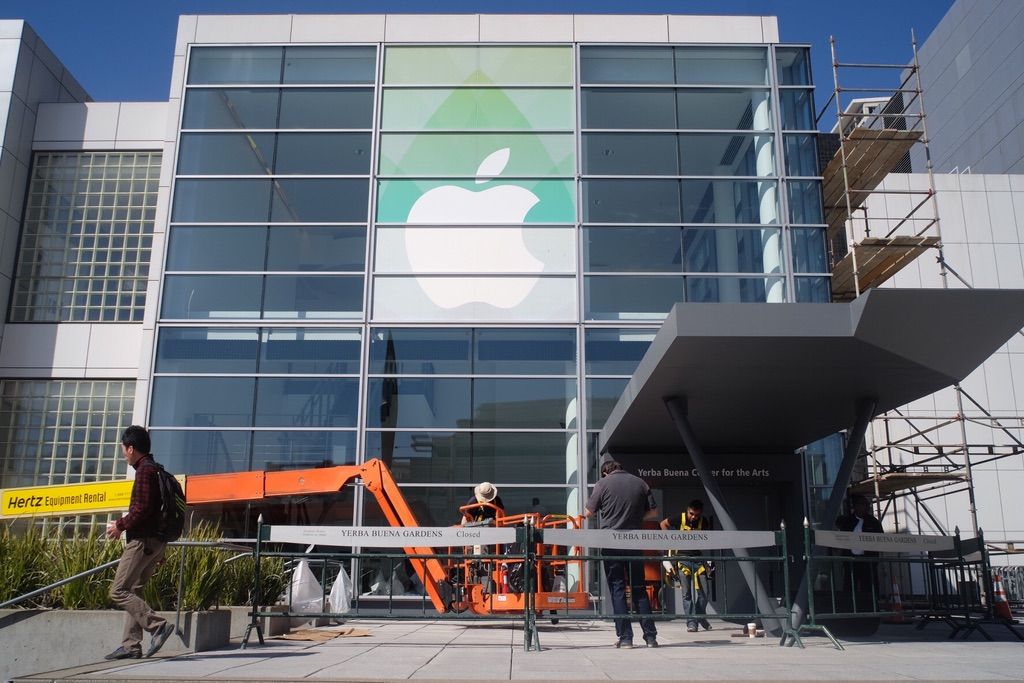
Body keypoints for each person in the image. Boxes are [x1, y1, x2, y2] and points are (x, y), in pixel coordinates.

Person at [103, 426, 177, 660]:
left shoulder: (145, 471)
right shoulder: (156, 471)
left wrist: (119, 526)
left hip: (142, 542)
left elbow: (142, 509)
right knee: (134, 589)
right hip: (155, 542)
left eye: (124, 449)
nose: (123, 454)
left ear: (131, 448)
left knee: (118, 590)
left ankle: (158, 626)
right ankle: (131, 645)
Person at [585, 458, 660, 649]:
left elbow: (588, 513)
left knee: (618, 589)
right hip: (634, 542)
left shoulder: (603, 483)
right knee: (639, 588)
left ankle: (626, 638)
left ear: (605, 472)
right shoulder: (640, 482)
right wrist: (634, 517)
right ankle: (650, 637)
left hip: (611, 541)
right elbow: (653, 514)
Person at [660, 498, 713, 632]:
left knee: (704, 593)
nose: (693, 517)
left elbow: (709, 538)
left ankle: (699, 616)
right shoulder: (680, 518)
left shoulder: (704, 521)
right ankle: (691, 622)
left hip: (698, 560)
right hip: (682, 559)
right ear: (687, 510)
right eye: (691, 513)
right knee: (686, 594)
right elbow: (663, 524)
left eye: (696, 514)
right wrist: (671, 539)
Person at [835, 494, 884, 610]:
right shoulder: (848, 521)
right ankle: (848, 609)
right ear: (855, 506)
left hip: (867, 560)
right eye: (861, 504)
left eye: (866, 505)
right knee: (850, 586)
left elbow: (881, 538)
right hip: (851, 560)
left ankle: (871, 608)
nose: (864, 507)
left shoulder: (873, 522)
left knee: (868, 586)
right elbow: (839, 532)